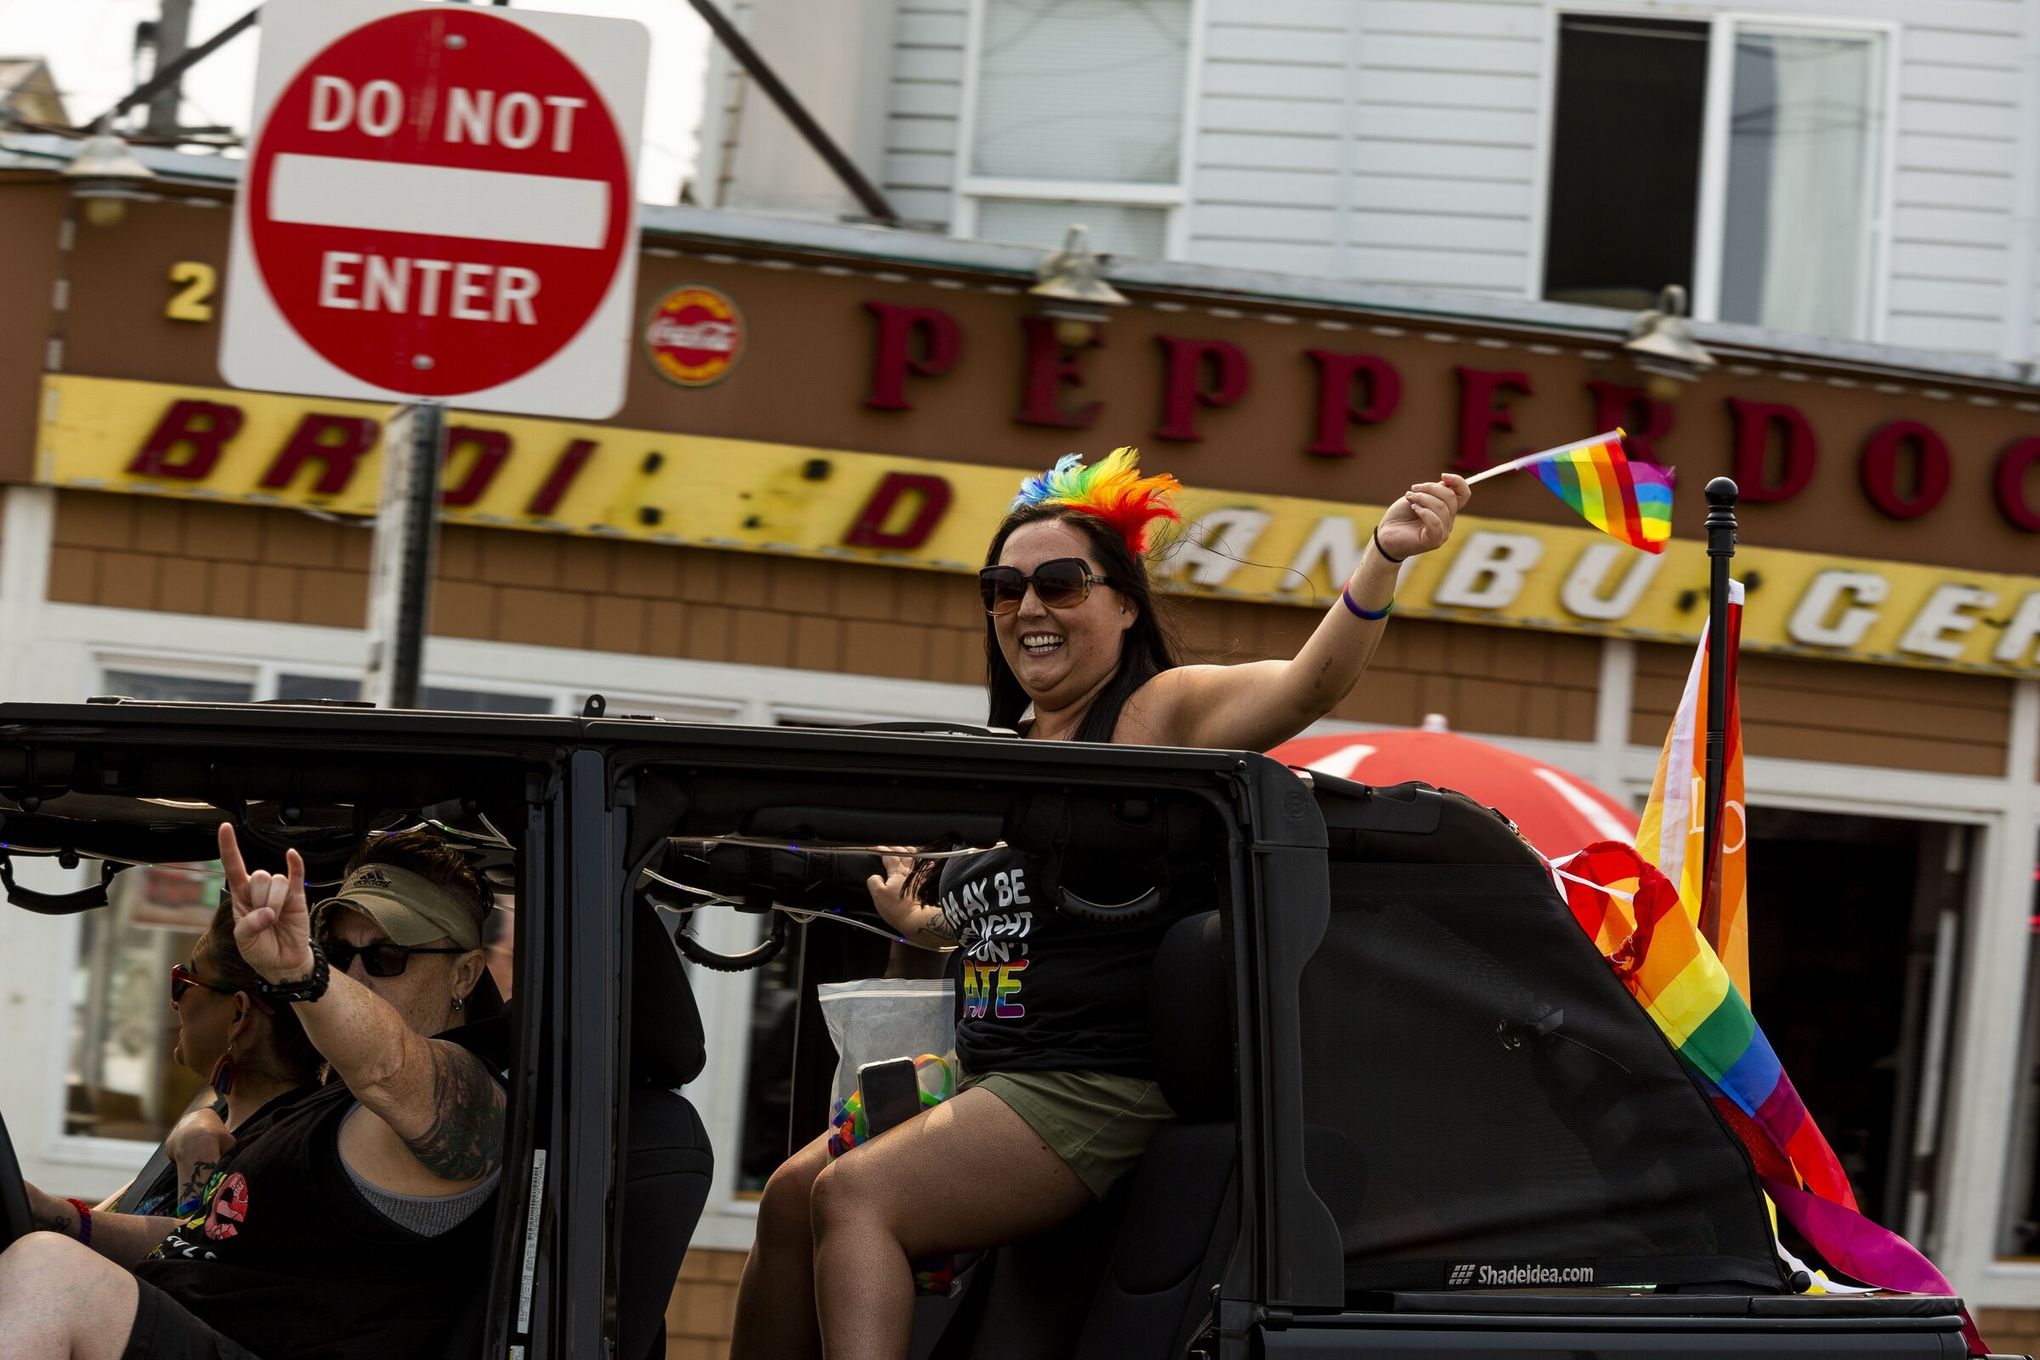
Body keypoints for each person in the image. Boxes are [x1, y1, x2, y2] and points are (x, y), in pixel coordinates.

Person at [730, 446, 1470, 1359]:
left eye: (1060, 583)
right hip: (992, 1074)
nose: (1029, 607)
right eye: (1005, 587)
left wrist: (1384, 557)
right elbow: (1025, 912)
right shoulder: (1013, 755)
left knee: (857, 1198)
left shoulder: (1154, 715)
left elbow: (1309, 684)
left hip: (1093, 1083)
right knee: (791, 1199)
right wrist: (924, 921)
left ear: (1123, 603)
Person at [0, 825, 507, 1360]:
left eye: (386, 958)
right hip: (191, 1323)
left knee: (51, 1279)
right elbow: (207, 1239)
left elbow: (390, 1066)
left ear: (465, 976)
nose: (355, 974)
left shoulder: (469, 1098)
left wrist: (305, 975)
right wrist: (61, 1215)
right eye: (336, 951)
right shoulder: (319, 1100)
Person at [79, 895, 326, 1220]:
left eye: (186, 981)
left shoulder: (274, 1149)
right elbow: (112, 1218)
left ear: (239, 1014)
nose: (175, 1003)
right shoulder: (220, 1113)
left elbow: (186, 1260)